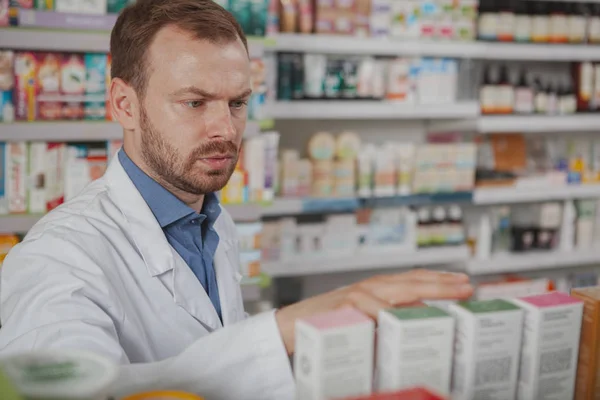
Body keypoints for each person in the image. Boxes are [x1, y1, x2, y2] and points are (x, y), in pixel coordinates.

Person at [0, 0, 474, 398]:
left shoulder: (211, 222)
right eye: (194, 102)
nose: (225, 129)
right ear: (124, 104)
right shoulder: (58, 256)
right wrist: (281, 329)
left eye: (237, 103)